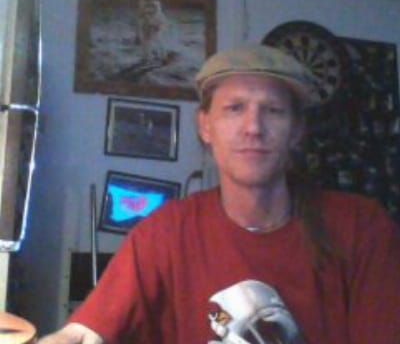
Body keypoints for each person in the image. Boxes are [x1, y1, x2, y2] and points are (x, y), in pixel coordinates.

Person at [38, 45, 400, 344]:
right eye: (234, 108)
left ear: (296, 131)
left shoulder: (363, 228)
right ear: (205, 126)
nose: (253, 127)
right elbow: (85, 332)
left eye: (273, 111)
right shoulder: (164, 233)